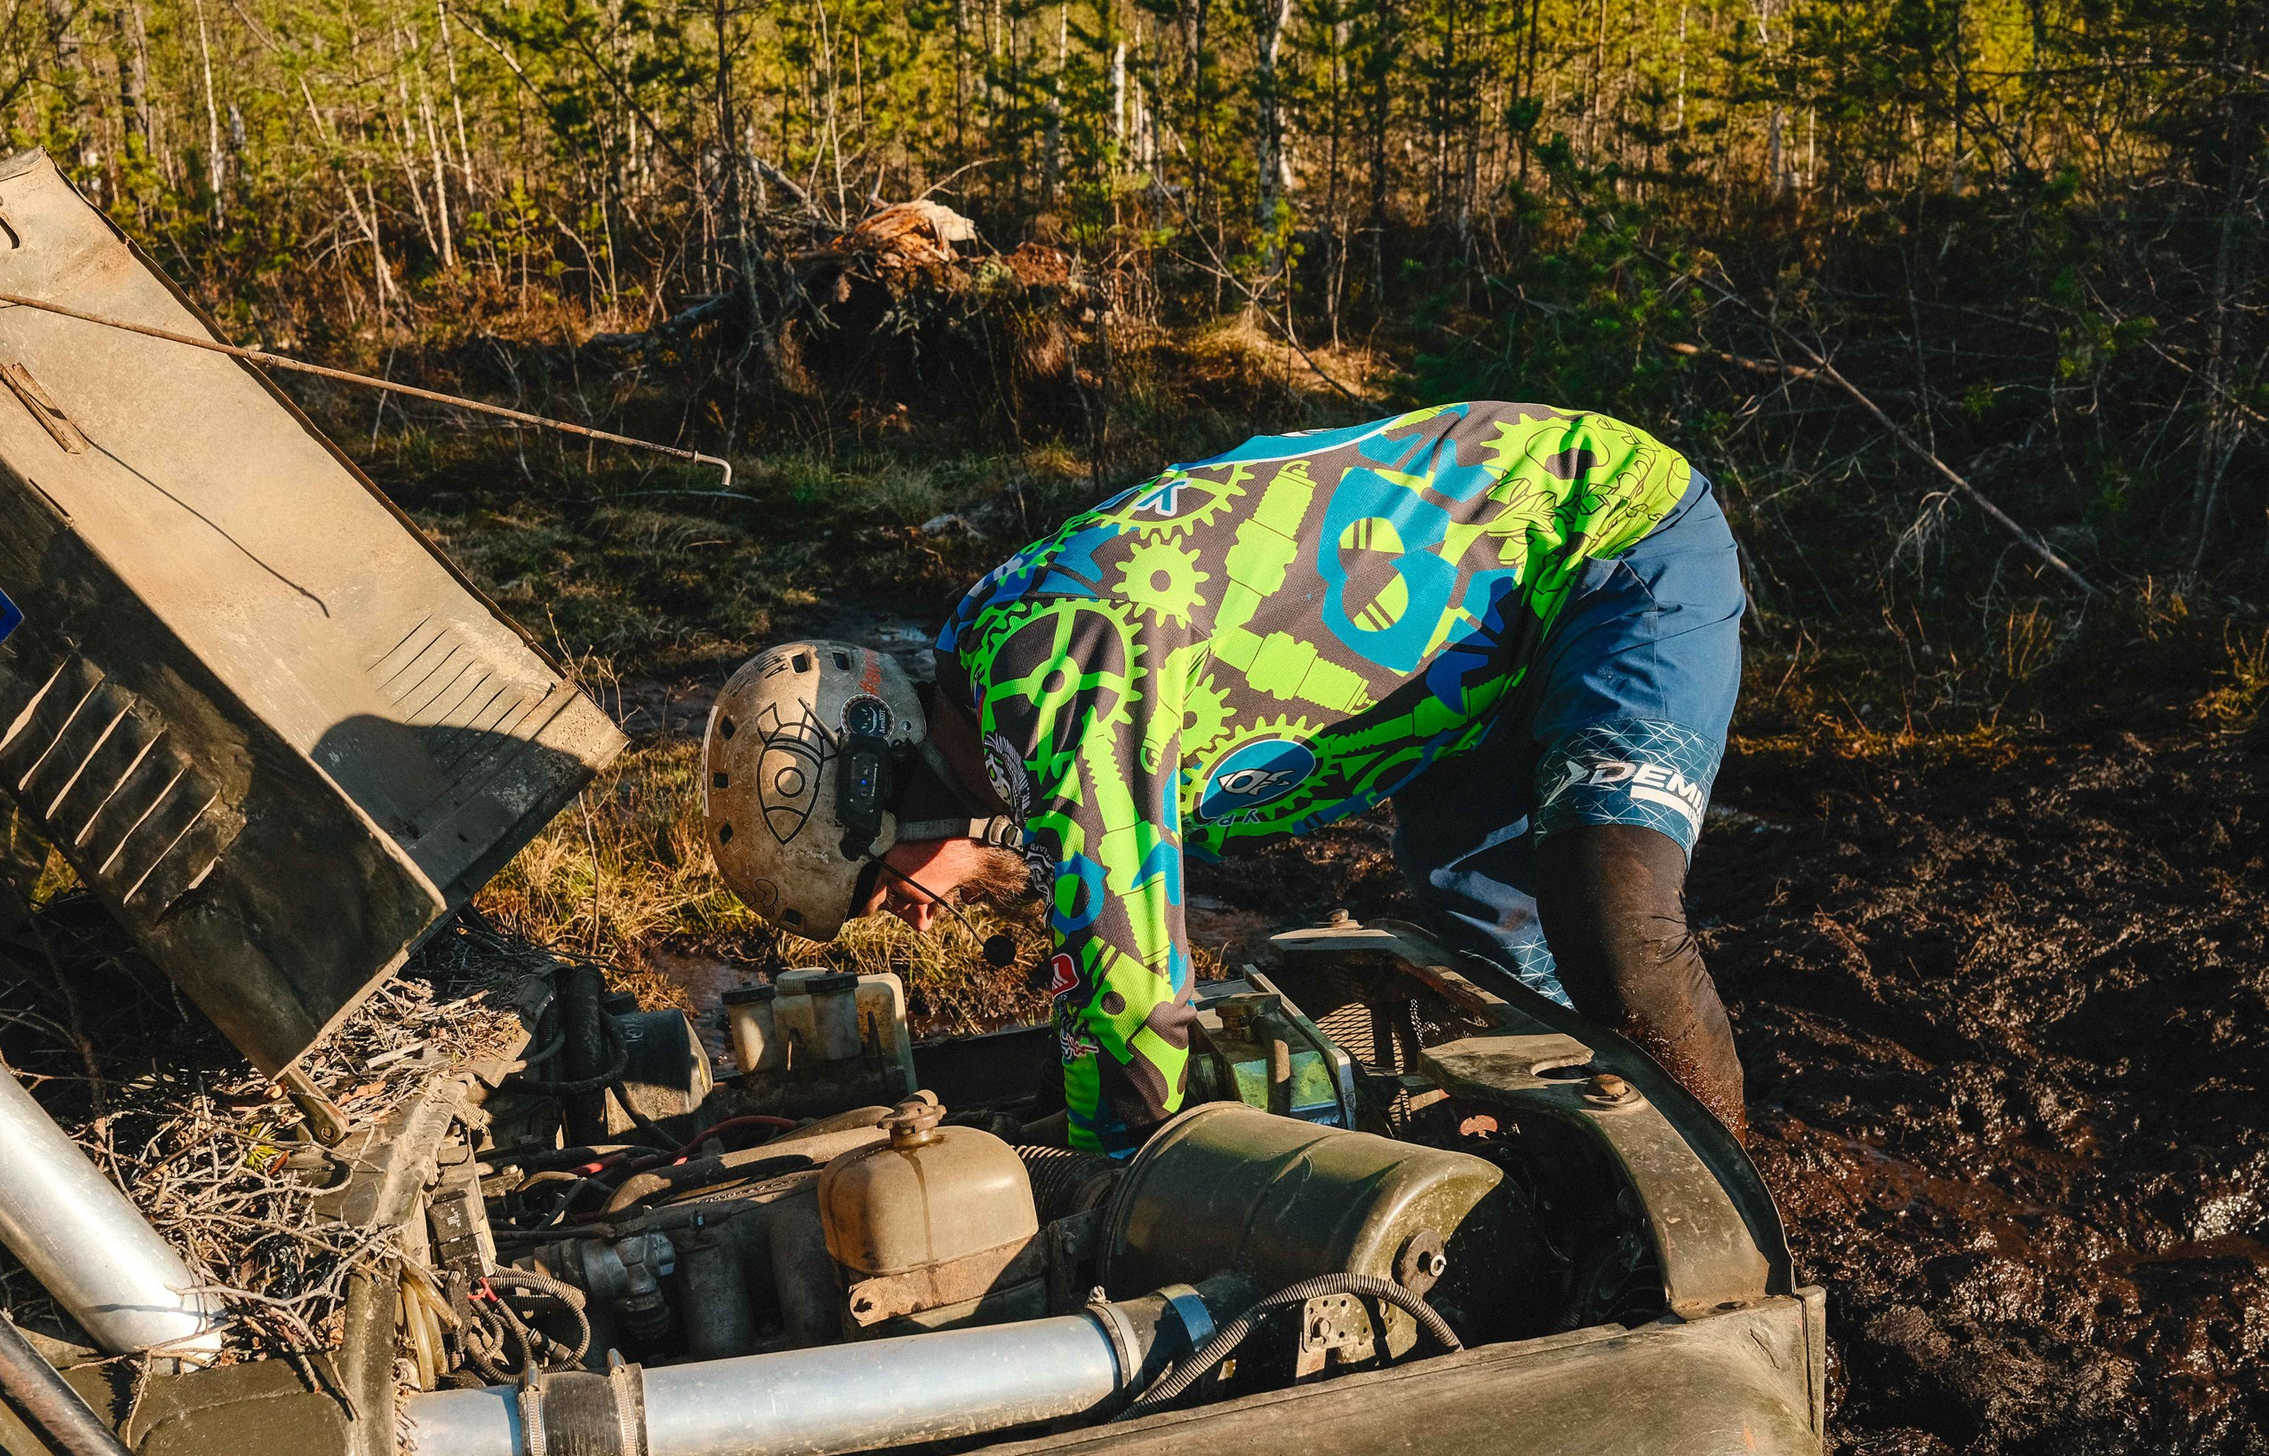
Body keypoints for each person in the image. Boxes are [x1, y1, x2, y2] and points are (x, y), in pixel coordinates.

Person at [702, 402, 1747, 1151]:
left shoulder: (1038, 670)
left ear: (879, 786)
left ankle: (1738, 1224)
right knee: (1505, 978)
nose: (917, 920)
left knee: (1611, 913)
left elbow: (1127, 991)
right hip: (1463, 677)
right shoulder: (993, 671)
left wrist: (1116, 1171)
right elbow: (1086, 892)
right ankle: (1591, 1178)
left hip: (1599, 543)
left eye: (884, 889)